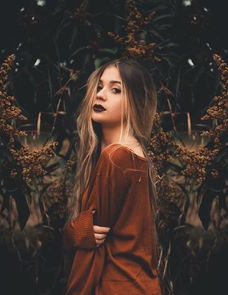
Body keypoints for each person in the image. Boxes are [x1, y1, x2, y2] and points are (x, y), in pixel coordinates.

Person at [63, 58, 162, 295]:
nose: (101, 95)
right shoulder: (132, 154)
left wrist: (73, 232)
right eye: (100, 87)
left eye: (115, 89)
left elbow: (89, 248)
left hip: (116, 285)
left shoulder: (116, 157)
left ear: (135, 103)